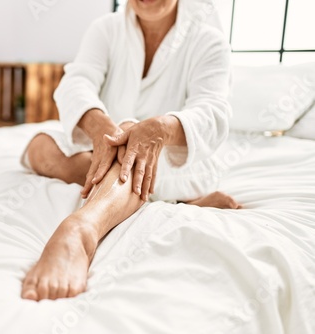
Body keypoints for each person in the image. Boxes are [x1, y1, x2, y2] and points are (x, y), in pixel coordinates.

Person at [21, 0, 240, 301]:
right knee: (40, 147)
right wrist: (102, 128)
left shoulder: (208, 40)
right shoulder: (106, 28)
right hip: (109, 145)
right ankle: (170, 204)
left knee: (130, 136)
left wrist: (161, 129)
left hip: (175, 160)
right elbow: (76, 83)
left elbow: (213, 114)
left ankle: (81, 230)